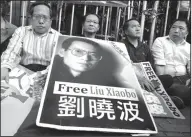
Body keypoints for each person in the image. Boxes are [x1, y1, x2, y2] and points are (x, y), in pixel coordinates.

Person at [1, 2, 61, 83]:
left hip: (47, 74)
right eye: (37, 17)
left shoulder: (58, 37)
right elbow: (11, 52)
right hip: (23, 71)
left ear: (50, 20)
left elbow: (58, 63)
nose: (41, 21)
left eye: (45, 17)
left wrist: (46, 74)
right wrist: (5, 67)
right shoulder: (21, 31)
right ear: (30, 18)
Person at [120, 19, 173, 92]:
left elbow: (151, 67)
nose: (138, 29)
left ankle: (148, 89)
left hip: (146, 79)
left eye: (139, 26)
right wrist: (137, 78)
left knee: (168, 78)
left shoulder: (145, 47)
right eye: (133, 27)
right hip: (130, 79)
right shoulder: (120, 45)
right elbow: (120, 68)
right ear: (126, 32)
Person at [151, 18, 191, 107]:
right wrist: (161, 85)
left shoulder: (189, 47)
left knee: (185, 92)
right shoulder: (160, 41)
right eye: (173, 27)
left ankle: (169, 97)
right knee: (183, 92)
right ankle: (168, 95)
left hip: (184, 79)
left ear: (186, 33)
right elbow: (159, 62)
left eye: (181, 28)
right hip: (166, 79)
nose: (176, 31)